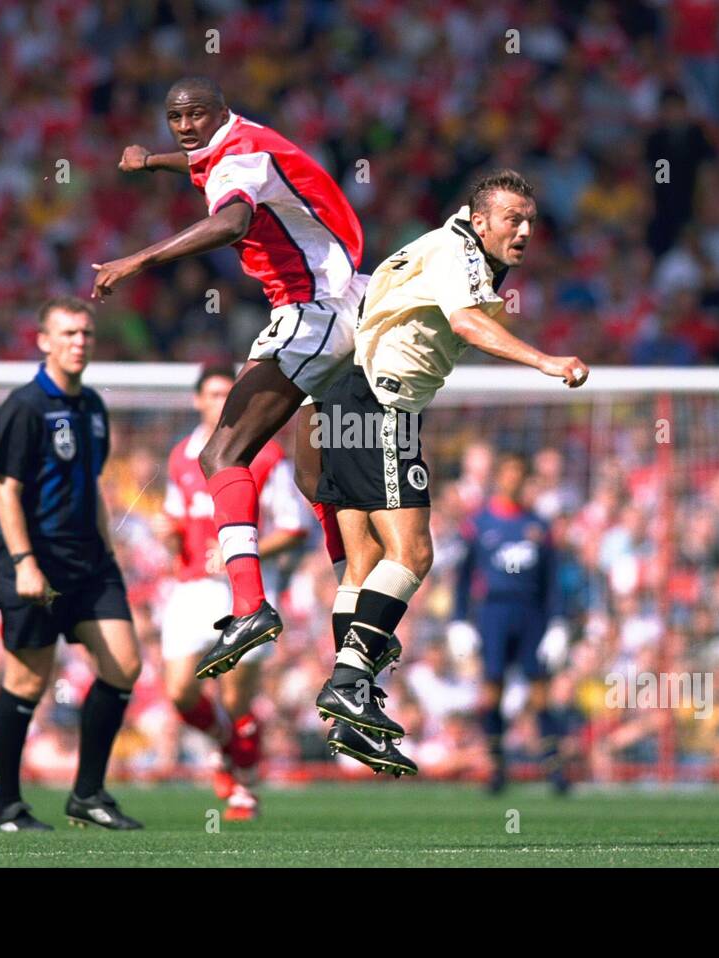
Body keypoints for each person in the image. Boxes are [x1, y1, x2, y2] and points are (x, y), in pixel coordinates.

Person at [313, 169, 588, 774]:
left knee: (363, 565)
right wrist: (544, 361)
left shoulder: (445, 249)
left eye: (531, 222)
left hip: (341, 403)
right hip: (381, 406)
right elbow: (465, 322)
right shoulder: (456, 250)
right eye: (512, 218)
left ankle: (348, 713)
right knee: (412, 555)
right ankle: (348, 684)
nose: (523, 231)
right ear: (479, 217)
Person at [91, 76, 363, 679]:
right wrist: (151, 162)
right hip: (345, 301)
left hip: (315, 307)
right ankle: (358, 635)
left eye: (195, 115)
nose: (185, 127)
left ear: (221, 111)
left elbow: (233, 222)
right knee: (318, 479)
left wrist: (136, 260)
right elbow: (200, 159)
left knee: (221, 453)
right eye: (175, 118)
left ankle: (249, 606)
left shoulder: (236, 160)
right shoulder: (236, 141)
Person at [0, 296, 142, 831]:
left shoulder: (92, 406)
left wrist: (109, 547)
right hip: (36, 562)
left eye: (86, 334)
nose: (79, 342)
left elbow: (91, 483)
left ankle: (88, 795)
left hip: (89, 561)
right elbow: (6, 491)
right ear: (44, 341)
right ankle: (7, 808)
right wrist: (25, 562)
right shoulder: (25, 406)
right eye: (68, 333)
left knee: (124, 665)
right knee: (27, 682)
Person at [159, 364, 310, 820]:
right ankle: (228, 743)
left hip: (241, 590)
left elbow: (294, 527)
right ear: (197, 400)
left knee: (235, 697)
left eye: (228, 393)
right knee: (181, 692)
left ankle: (242, 786)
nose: (219, 401)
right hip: (191, 588)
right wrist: (168, 533)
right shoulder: (180, 456)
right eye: (212, 394)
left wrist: (240, 551)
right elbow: (175, 517)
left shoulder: (266, 455)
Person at [450, 452, 569, 794]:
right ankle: (496, 767)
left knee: (541, 692)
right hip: (494, 613)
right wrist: (459, 620)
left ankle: (555, 769)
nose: (513, 479)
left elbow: (551, 580)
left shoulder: (538, 526)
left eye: (520, 473)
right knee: (492, 688)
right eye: (508, 472)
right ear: (499, 477)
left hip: (531, 613)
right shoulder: (479, 523)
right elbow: (462, 578)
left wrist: (558, 623)